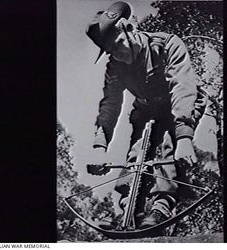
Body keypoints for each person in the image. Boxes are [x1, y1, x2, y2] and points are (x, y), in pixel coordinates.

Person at [86, 1, 207, 229]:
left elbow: (183, 88)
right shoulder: (115, 65)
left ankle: (161, 206)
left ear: (130, 29)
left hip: (180, 104)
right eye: (111, 50)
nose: (118, 54)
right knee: (136, 153)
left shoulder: (167, 44)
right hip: (146, 109)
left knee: (167, 146)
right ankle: (128, 210)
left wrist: (184, 138)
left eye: (119, 44)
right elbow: (110, 103)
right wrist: (99, 148)